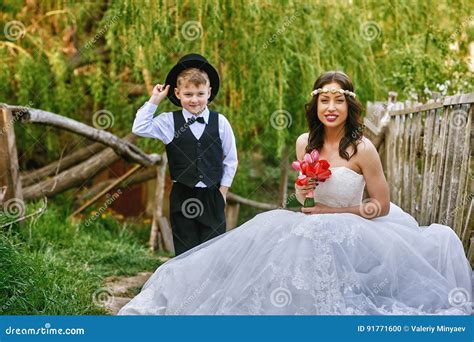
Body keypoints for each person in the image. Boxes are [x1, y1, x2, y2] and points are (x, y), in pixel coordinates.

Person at [119, 71, 472, 315]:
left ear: (349, 106)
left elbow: (379, 206)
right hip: (311, 221)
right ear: (316, 106)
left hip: (356, 226)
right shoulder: (306, 142)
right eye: (324, 101)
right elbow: (303, 203)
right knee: (283, 245)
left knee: (315, 241)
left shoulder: (363, 148)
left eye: (338, 100)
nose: (331, 108)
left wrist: (330, 214)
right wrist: (304, 193)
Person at [131, 53, 238, 256]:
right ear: (178, 93)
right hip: (182, 195)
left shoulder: (220, 122)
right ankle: (186, 288)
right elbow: (139, 127)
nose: (194, 100)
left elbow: (231, 160)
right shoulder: (169, 122)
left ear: (209, 92)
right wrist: (155, 99)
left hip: (212, 195)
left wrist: (222, 192)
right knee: (185, 252)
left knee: (213, 252)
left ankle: (211, 288)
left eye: (200, 93)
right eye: (188, 94)